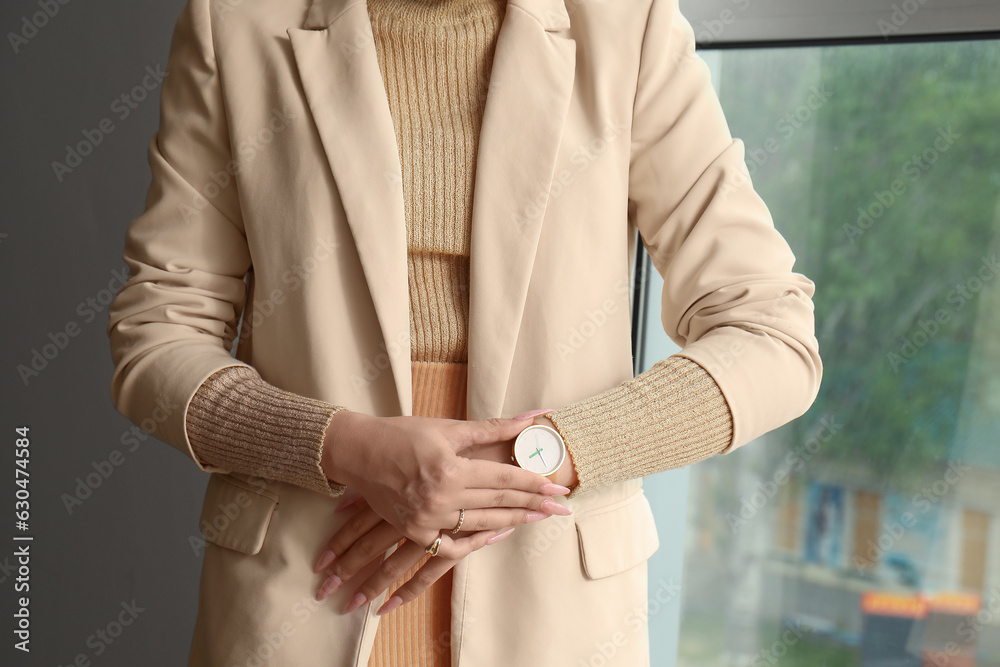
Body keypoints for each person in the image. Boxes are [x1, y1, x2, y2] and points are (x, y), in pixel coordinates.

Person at [106, 0, 822, 664]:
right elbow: (156, 338)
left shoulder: (625, 23)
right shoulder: (235, 21)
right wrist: (340, 446)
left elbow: (772, 333)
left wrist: (537, 457)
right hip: (307, 592)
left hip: (557, 612)